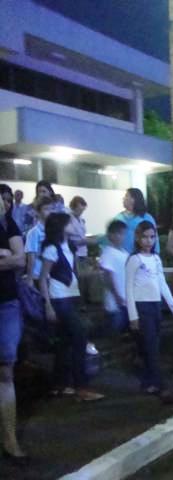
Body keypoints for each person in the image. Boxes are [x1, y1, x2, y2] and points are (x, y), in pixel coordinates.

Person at [38, 212, 104, 401]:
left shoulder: (69, 246)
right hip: (60, 298)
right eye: (69, 222)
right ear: (60, 226)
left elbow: (87, 242)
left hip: (71, 297)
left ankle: (60, 384)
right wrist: (48, 305)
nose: (73, 224)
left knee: (65, 342)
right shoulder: (52, 248)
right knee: (79, 337)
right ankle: (81, 387)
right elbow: (43, 278)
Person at [125, 221, 173, 397]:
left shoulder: (156, 258)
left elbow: (162, 283)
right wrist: (132, 315)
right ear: (137, 238)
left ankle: (150, 381)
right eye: (145, 237)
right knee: (149, 345)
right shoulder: (134, 259)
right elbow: (128, 288)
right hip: (142, 306)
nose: (148, 241)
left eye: (151, 237)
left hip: (155, 305)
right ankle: (156, 383)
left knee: (154, 344)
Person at [0, 191, 28, 463]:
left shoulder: (8, 224)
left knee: (5, 372)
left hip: (6, 305)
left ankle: (10, 440)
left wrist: (10, 255)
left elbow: (20, 260)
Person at [99, 220, 129, 334]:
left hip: (125, 299)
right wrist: (117, 295)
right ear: (111, 235)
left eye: (123, 234)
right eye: (119, 234)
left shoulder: (124, 252)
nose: (122, 237)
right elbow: (107, 276)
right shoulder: (108, 253)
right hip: (115, 302)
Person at [114, 188, 159, 254]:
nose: (123, 198)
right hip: (121, 258)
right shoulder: (118, 217)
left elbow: (155, 239)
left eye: (126, 196)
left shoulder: (146, 218)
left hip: (140, 258)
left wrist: (155, 255)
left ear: (133, 199)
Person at [24, 196, 55, 287]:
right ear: (38, 212)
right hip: (37, 275)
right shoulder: (33, 232)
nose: (50, 212)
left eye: (51, 208)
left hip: (51, 275)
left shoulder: (53, 230)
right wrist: (29, 279)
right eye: (46, 209)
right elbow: (31, 257)